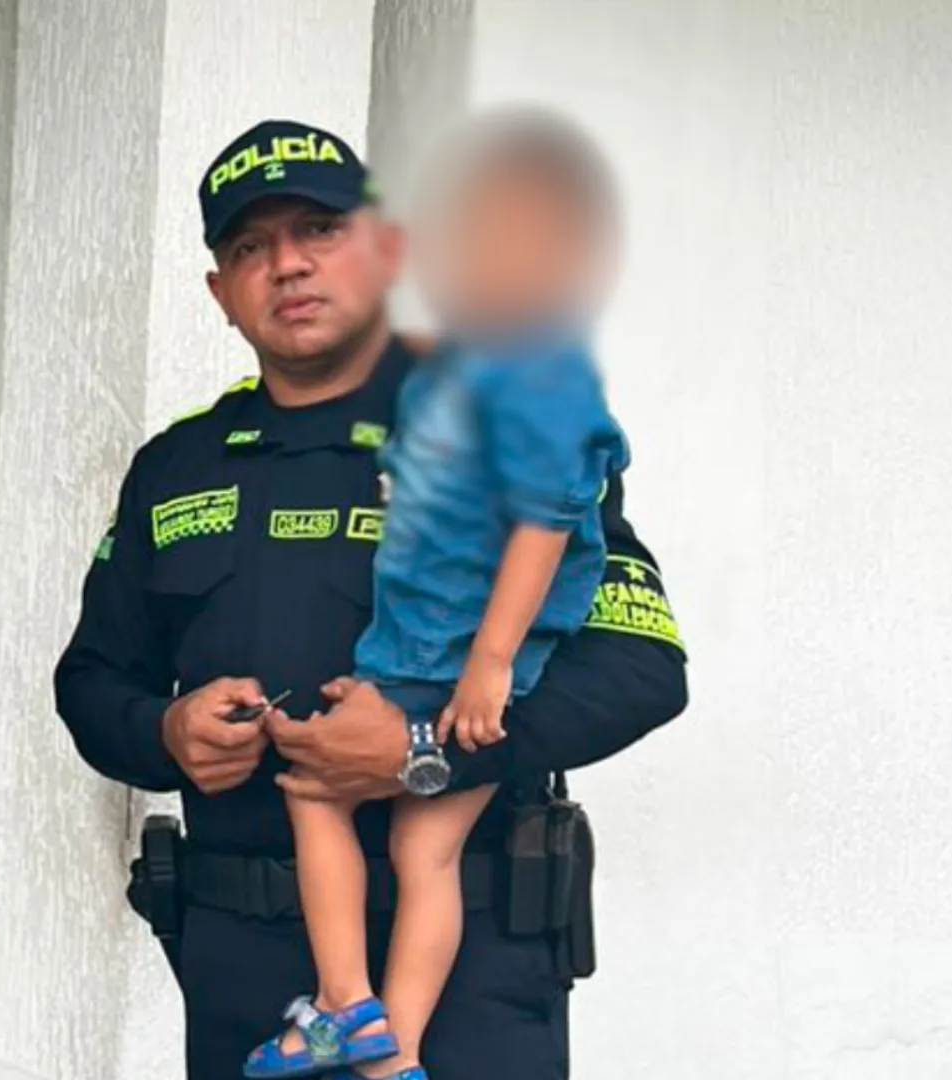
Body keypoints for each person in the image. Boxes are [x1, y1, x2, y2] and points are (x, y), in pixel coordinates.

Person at [54, 119, 688, 1080]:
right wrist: (164, 731)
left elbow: (641, 666)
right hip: (246, 982)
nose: (288, 266)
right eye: (249, 247)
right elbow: (94, 680)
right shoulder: (174, 469)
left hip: (470, 979)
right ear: (222, 293)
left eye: (319, 230)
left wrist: (423, 755)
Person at [241, 112, 627, 1080]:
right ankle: (384, 1049)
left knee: (319, 793)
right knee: (411, 847)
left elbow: (640, 666)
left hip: (441, 678)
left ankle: (350, 1012)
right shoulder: (456, 377)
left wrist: (435, 731)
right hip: (406, 662)